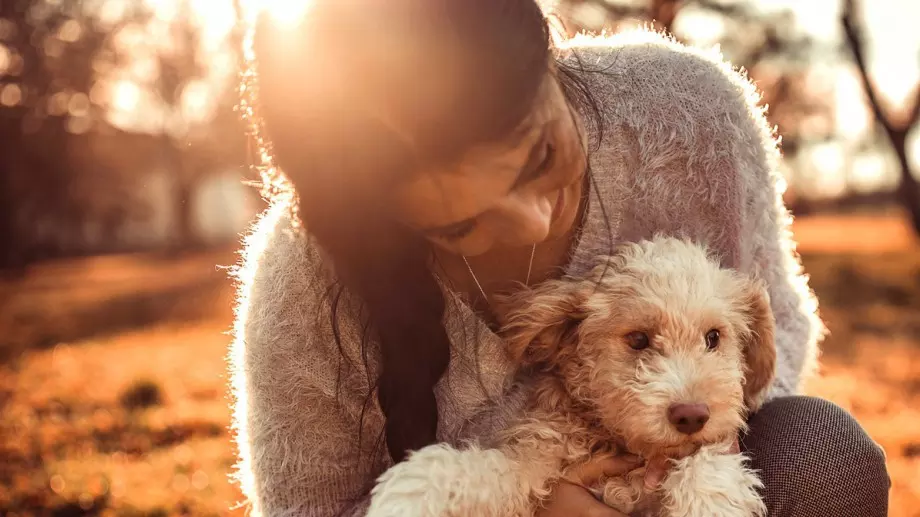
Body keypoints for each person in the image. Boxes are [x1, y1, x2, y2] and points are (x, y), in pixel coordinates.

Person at [228, 1, 890, 516]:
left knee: (820, 450)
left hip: (699, 477)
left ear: (550, 55)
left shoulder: (689, 115)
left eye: (541, 155)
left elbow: (779, 322)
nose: (534, 219)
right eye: (461, 222)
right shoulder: (302, 288)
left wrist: (683, 466)